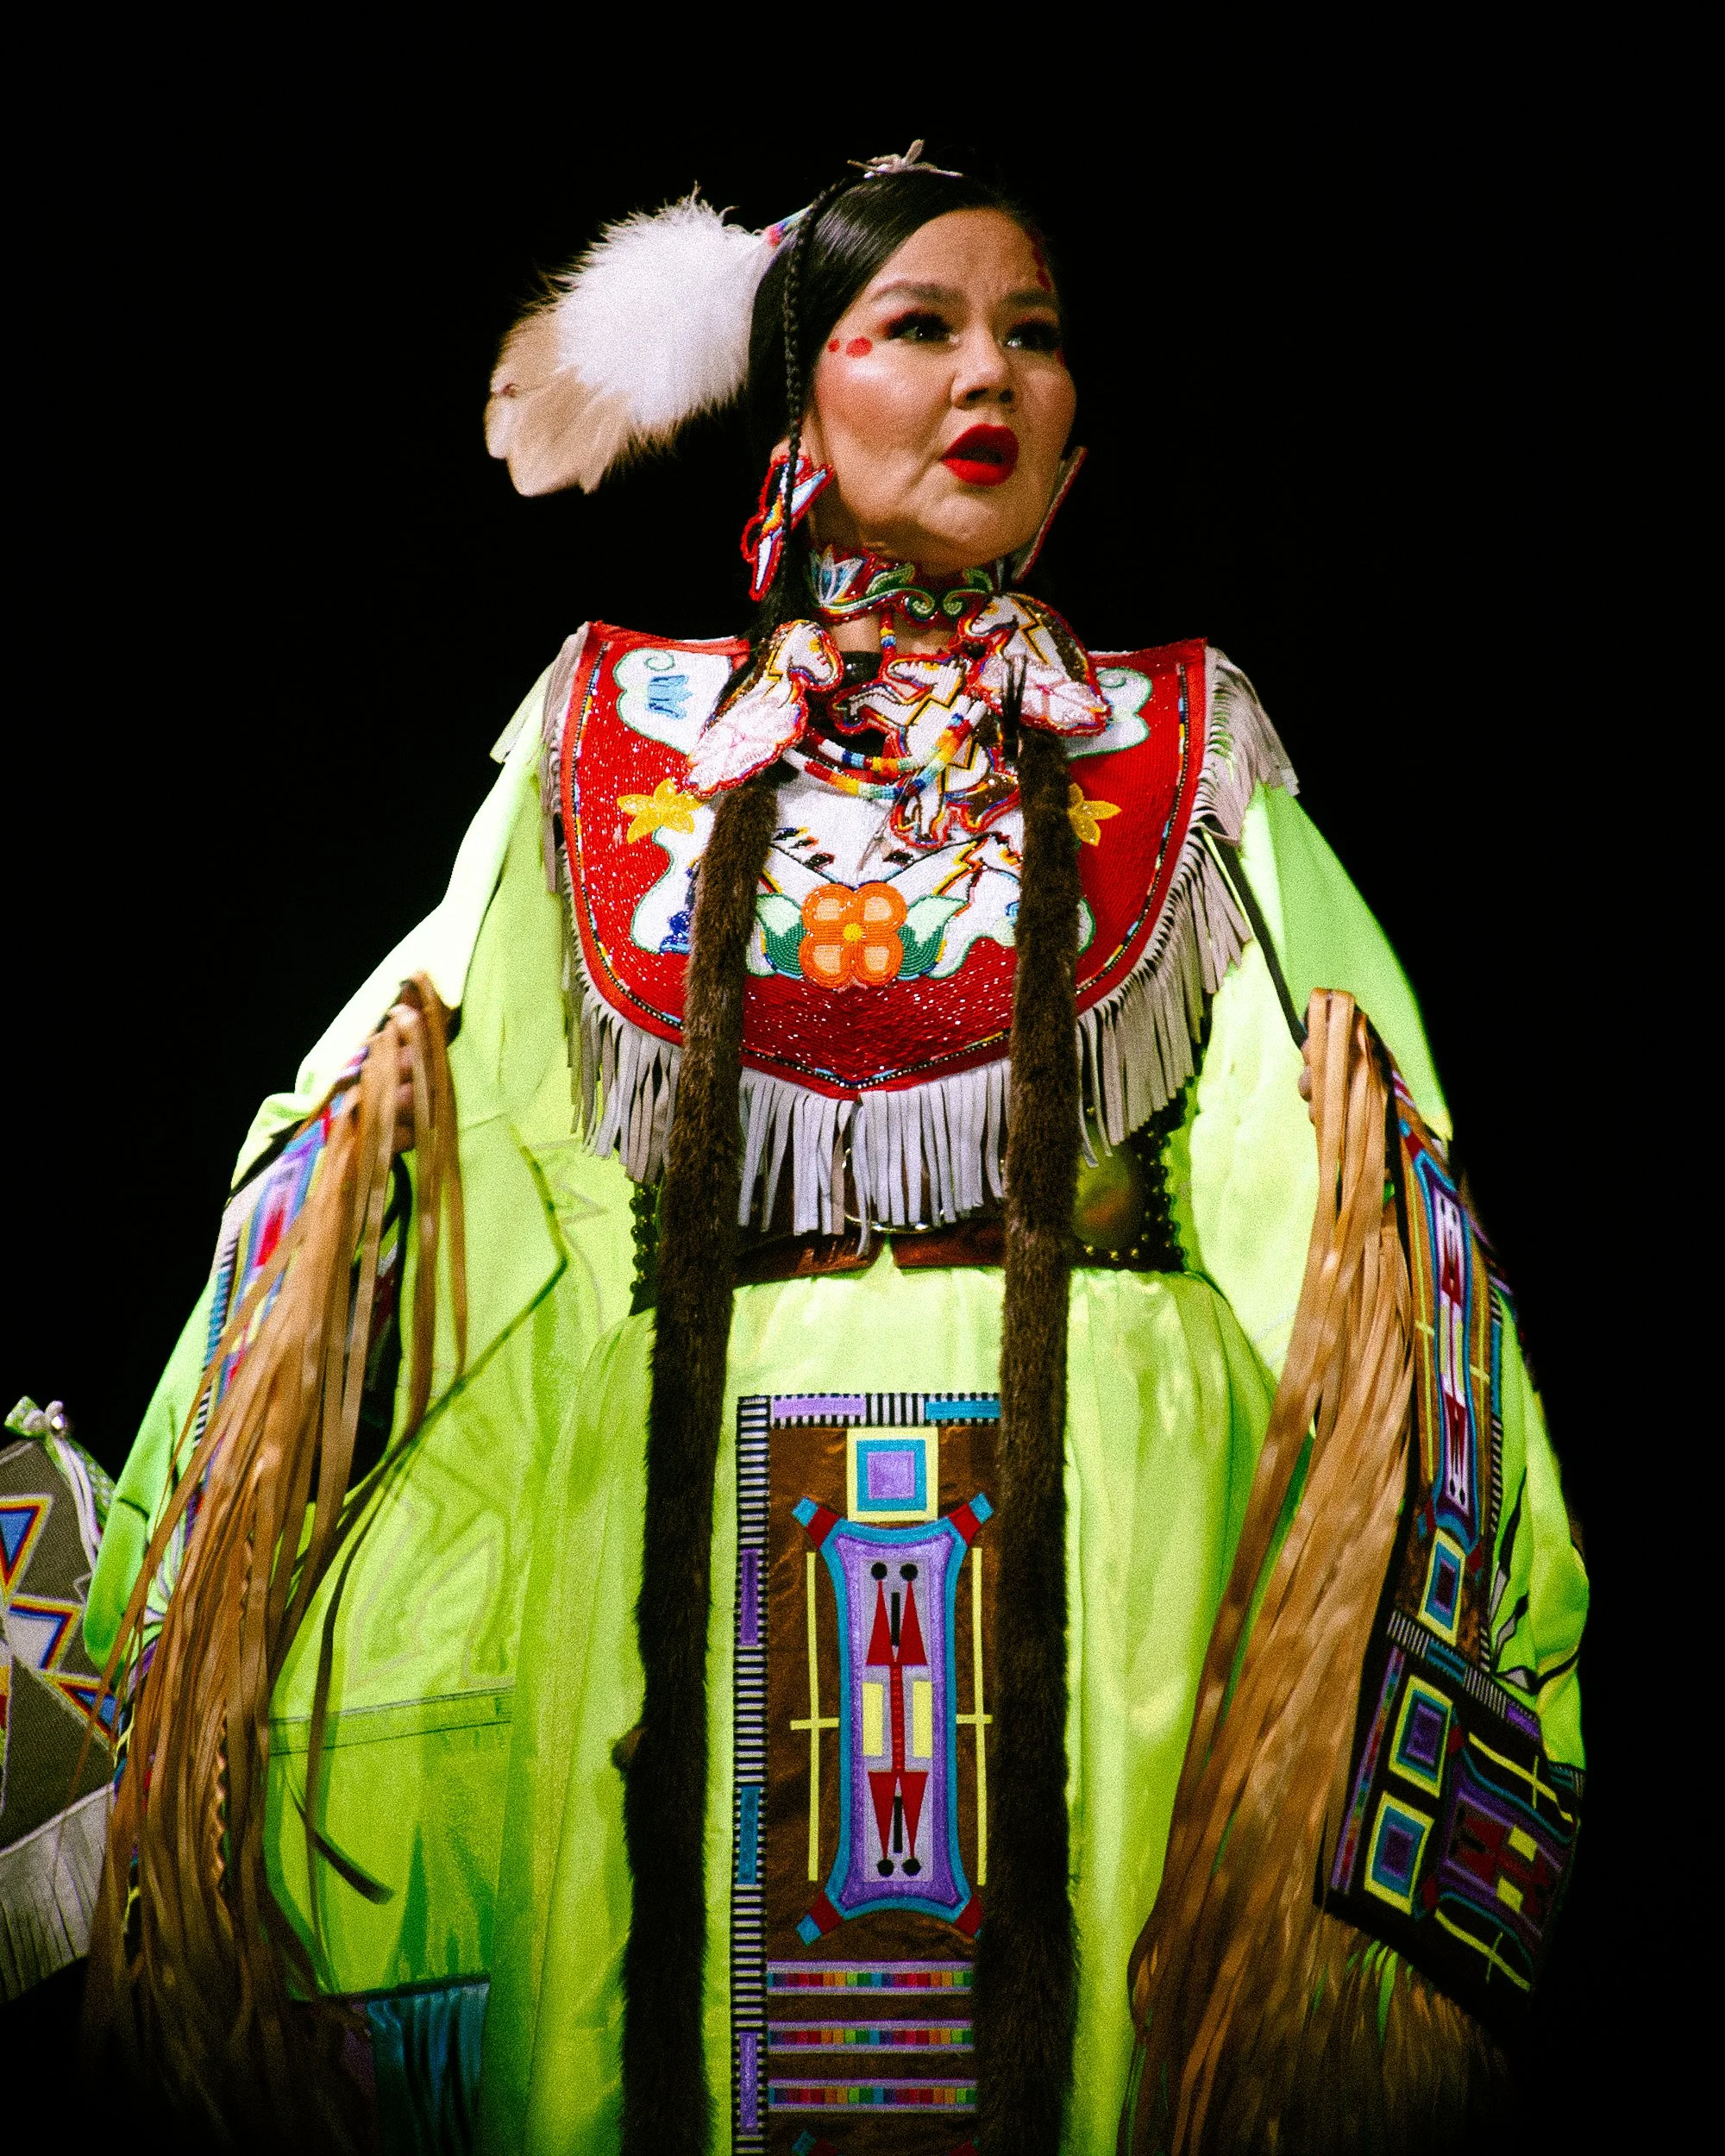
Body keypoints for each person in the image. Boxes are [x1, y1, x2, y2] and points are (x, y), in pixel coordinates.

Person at [80, 148, 1588, 2153]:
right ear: (798, 404)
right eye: (920, 328)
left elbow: (1366, 1211)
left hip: (1106, 1555)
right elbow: (404, 1132)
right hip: (684, 1543)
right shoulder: (619, 742)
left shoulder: (1179, 753)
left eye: (1032, 335)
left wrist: (1460, 1631)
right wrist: (159, 1585)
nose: (989, 377)